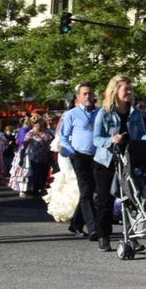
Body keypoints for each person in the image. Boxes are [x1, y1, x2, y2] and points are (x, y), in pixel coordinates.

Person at [92, 75, 146, 252]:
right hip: (106, 160)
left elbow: (141, 134)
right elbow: (96, 138)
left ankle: (131, 235)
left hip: (128, 160)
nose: (129, 93)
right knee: (105, 200)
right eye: (126, 89)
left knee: (131, 199)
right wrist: (111, 140)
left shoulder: (135, 113)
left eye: (131, 89)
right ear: (115, 91)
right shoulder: (104, 112)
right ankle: (104, 235)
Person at [57, 82, 98, 239]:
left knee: (92, 190)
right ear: (79, 97)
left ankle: (75, 224)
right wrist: (73, 152)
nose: (87, 96)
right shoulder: (71, 114)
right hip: (79, 155)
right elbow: (63, 136)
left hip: (96, 156)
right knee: (86, 190)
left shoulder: (99, 113)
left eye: (90, 93)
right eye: (84, 94)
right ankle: (94, 228)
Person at [22, 115, 54, 198]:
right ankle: (35, 190)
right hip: (35, 157)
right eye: (36, 123)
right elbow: (24, 146)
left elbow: (54, 141)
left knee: (44, 173)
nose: (39, 125)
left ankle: (42, 188)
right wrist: (21, 157)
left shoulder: (47, 132)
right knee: (36, 173)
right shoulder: (30, 133)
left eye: (40, 122)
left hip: (46, 156)